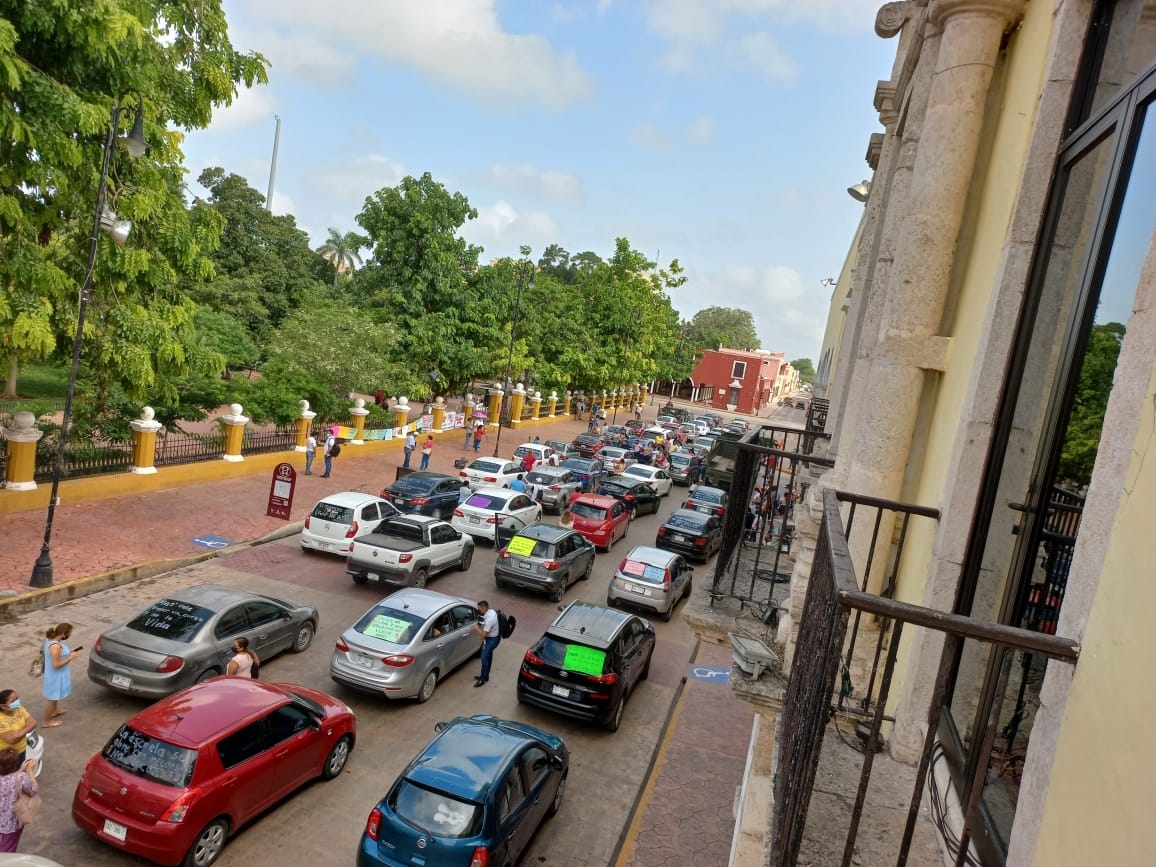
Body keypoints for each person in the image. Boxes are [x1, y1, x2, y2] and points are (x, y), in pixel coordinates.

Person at [0, 748, 39, 853]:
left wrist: (20, 770)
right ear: (15, 763)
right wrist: (30, 772)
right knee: (7, 849)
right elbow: (34, 790)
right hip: (11, 822)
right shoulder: (21, 777)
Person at [42, 623, 79, 727]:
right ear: (63, 634)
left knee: (55, 695)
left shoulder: (51, 640)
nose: (70, 634)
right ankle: (47, 721)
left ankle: (55, 711)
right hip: (55, 677)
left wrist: (69, 653)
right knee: (52, 698)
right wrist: (70, 657)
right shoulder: (55, 647)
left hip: (56, 675)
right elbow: (56, 665)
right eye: (69, 633)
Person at [0, 692, 35, 765]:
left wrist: (19, 733)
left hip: (22, 749)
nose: (17, 702)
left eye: (17, 698)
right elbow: (12, 740)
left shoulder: (19, 709)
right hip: (6, 756)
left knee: (21, 771)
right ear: (3, 706)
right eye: (13, 701)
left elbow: (33, 723)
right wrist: (26, 729)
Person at [472, 601, 500, 687]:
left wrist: (476, 628)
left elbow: (483, 635)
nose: (478, 609)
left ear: (484, 608)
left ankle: (482, 679)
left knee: (484, 657)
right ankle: (485, 676)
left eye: (479, 608)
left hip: (492, 640)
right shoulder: (491, 611)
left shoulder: (489, 619)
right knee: (488, 657)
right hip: (494, 637)